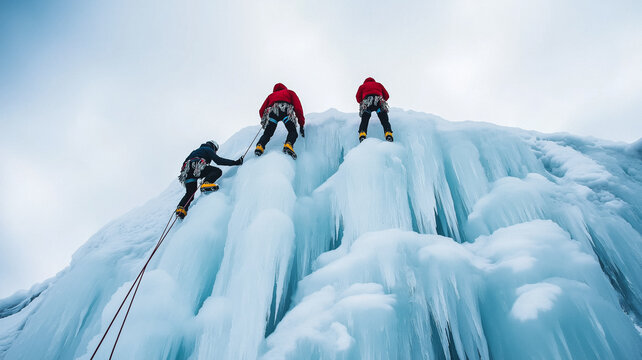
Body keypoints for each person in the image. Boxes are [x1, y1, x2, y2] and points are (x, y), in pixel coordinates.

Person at [175, 140, 243, 219]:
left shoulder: (195, 152)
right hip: (197, 166)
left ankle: (181, 208)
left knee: (190, 193)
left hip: (187, 173)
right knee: (216, 171)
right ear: (213, 147)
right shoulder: (208, 149)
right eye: (216, 150)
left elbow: (184, 163)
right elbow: (218, 161)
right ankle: (206, 184)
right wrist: (235, 162)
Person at [255, 83, 305, 159]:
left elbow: (261, 110)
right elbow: (298, 108)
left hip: (272, 112)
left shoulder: (271, 96)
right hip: (285, 111)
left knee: (267, 133)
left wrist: (265, 121)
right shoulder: (290, 92)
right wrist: (301, 124)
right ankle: (288, 144)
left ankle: (260, 146)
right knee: (292, 131)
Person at [355, 77, 393, 142]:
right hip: (378, 101)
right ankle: (388, 134)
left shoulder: (362, 86)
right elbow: (387, 95)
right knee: (384, 119)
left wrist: (363, 101)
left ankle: (362, 135)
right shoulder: (379, 84)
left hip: (367, 102)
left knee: (365, 119)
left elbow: (358, 98)